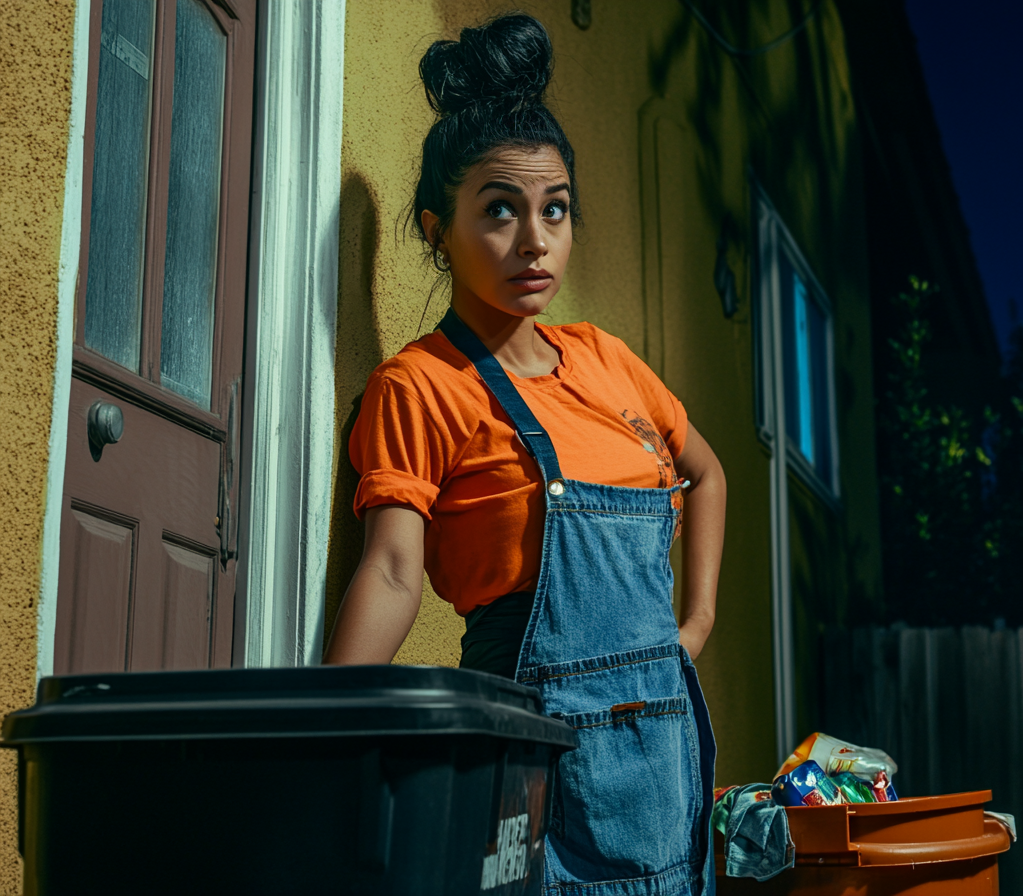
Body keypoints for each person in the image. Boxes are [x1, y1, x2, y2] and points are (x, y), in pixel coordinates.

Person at [323, 14, 726, 896]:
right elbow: (392, 573)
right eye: (499, 209)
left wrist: (688, 632)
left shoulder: (609, 359)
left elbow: (706, 470)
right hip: (530, 755)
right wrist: (326, 741)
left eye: (555, 209)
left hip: (664, 757)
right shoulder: (420, 386)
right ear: (437, 228)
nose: (534, 240)